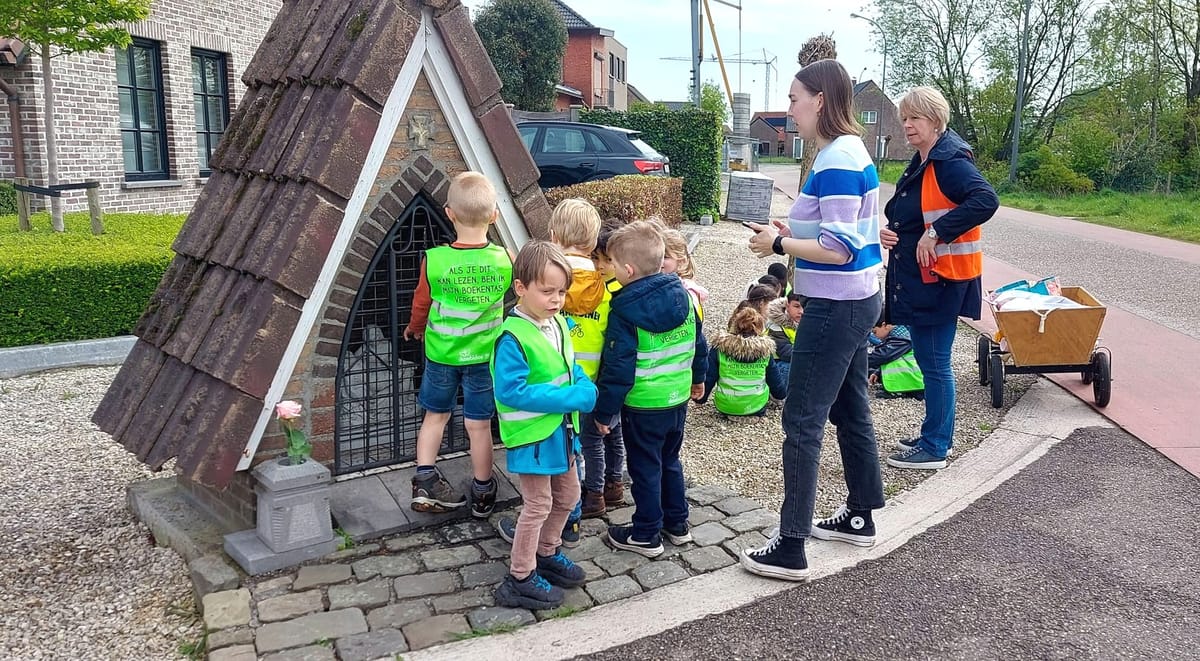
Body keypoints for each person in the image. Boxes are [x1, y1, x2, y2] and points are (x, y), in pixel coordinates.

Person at [742, 59, 886, 580]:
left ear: (820, 99)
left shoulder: (836, 158)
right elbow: (835, 230)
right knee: (850, 410)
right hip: (856, 301)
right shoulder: (845, 152)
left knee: (801, 421)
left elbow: (839, 248)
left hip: (836, 305)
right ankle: (860, 516)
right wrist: (789, 228)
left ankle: (791, 544)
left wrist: (777, 243)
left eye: (795, 96)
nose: (789, 107)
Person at [879, 86, 998, 469]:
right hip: (925, 280)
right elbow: (911, 210)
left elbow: (985, 200)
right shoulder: (925, 159)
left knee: (934, 363)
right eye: (904, 118)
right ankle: (934, 433)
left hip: (940, 282)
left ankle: (935, 447)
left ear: (935, 120)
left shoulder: (949, 161)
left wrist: (936, 233)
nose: (907, 125)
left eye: (914, 118)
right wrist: (892, 231)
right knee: (932, 362)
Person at [490, 240, 596, 610]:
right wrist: (572, 398)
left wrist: (584, 386)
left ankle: (547, 553)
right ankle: (519, 576)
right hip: (532, 436)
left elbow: (569, 366)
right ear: (521, 288)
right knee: (538, 505)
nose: (556, 299)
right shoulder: (512, 337)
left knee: (569, 497)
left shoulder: (556, 325)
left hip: (561, 432)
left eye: (562, 291)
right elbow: (510, 391)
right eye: (547, 291)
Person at [594, 220, 708, 558]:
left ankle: (646, 533)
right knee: (670, 460)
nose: (610, 268)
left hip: (643, 405)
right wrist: (699, 379)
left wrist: (604, 411)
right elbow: (698, 345)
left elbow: (619, 366)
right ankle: (678, 523)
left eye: (612, 263)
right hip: (677, 399)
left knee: (644, 467)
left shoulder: (624, 310)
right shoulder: (686, 299)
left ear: (627, 270)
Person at [403, 172, 511, 517]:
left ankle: (424, 480)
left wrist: (415, 328)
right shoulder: (504, 259)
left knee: (435, 416)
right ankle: (482, 489)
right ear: (494, 215)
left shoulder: (434, 260)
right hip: (484, 356)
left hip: (441, 354)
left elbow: (422, 303)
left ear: (449, 212)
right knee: (478, 425)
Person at [698, 308, 788, 416]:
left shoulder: (719, 349)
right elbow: (775, 381)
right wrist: (781, 395)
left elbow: (709, 377)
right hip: (756, 407)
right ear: (760, 328)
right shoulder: (765, 352)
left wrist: (700, 399)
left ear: (735, 325)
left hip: (726, 406)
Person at [661, 227, 709, 312]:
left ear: (681, 261)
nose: (659, 261)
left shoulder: (686, 290)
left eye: (665, 257)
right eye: (657, 256)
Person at [766, 292, 804, 380]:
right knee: (789, 367)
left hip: (800, 358)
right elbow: (785, 353)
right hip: (777, 363)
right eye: (796, 306)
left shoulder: (808, 321)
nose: (801, 311)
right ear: (787, 305)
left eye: (804, 307)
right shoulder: (776, 324)